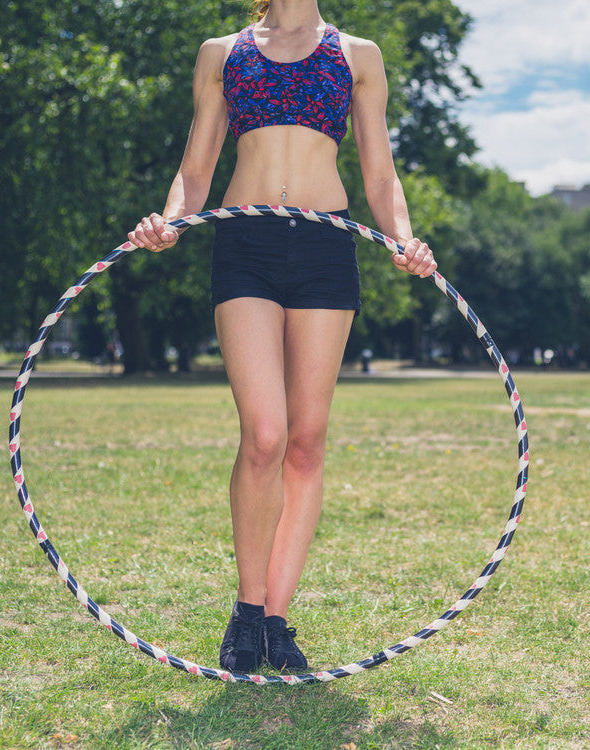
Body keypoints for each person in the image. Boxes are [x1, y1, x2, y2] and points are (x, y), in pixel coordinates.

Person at [127, 0, 436, 673]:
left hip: (328, 245)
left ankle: (274, 621)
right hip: (246, 242)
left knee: (305, 442)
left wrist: (404, 239)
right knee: (264, 434)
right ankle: (246, 607)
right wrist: (172, 220)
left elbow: (380, 173)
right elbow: (196, 168)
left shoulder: (358, 56)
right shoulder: (223, 52)